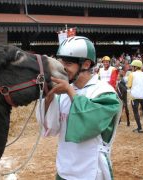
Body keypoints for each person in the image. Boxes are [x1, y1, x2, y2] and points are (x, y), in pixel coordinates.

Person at [36, 36, 122, 180]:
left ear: (86, 64)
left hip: (92, 171)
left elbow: (89, 125)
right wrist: (49, 98)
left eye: (68, 63)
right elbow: (50, 128)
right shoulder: (63, 92)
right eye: (61, 61)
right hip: (64, 170)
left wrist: (70, 92)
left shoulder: (104, 92)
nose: (62, 68)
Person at [127, 59, 143, 133]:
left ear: (135, 67)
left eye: (133, 66)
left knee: (136, 112)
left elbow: (129, 85)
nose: (132, 68)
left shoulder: (132, 74)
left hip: (135, 96)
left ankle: (139, 128)